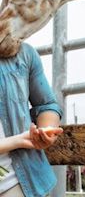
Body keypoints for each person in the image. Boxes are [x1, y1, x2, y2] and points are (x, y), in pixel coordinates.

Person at [0, 42, 63, 197]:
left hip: (17, 181)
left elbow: (46, 104)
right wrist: (18, 140)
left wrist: (45, 131)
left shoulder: (24, 53)